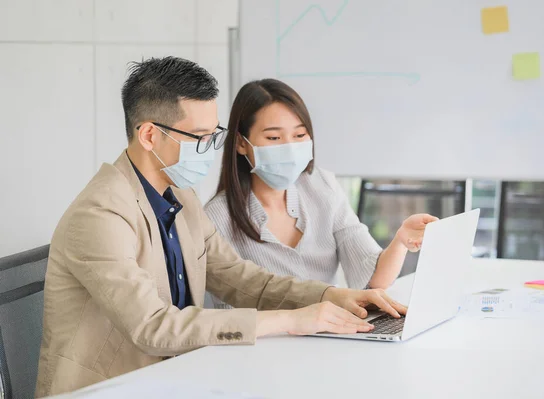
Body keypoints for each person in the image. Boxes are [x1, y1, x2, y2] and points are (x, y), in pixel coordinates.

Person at [35, 57, 406, 397]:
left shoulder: (181, 195)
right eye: (199, 137)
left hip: (177, 378)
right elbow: (154, 327)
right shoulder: (99, 214)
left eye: (214, 135)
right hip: (111, 389)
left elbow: (243, 280)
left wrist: (329, 296)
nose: (211, 149)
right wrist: (291, 320)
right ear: (149, 135)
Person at [204, 79, 438, 309]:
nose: (289, 148)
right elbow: (232, 310)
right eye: (274, 138)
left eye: (299, 135)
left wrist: (400, 241)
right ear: (241, 144)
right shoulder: (216, 218)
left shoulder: (322, 186)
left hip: (331, 336)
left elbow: (372, 279)